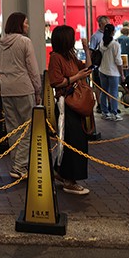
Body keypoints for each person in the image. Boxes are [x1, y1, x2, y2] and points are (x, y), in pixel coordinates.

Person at [0, 12, 42, 180]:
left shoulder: (1, 42)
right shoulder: (24, 42)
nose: (27, 26)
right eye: (26, 23)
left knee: (13, 129)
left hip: (6, 89)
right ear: (19, 24)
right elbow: (33, 70)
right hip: (24, 88)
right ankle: (20, 166)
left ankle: (17, 165)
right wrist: (38, 90)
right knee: (28, 128)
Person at [48, 25, 94, 195]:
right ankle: (69, 180)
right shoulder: (56, 58)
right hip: (65, 104)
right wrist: (77, 77)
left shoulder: (70, 56)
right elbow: (56, 82)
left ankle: (61, 172)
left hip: (75, 104)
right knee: (71, 141)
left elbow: (87, 69)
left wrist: (87, 49)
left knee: (77, 140)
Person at [97, 23, 123, 121]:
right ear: (113, 32)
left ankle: (105, 112)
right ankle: (114, 113)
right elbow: (118, 61)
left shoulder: (101, 43)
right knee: (113, 93)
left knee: (104, 91)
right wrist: (122, 74)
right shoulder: (115, 44)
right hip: (113, 72)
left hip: (102, 70)